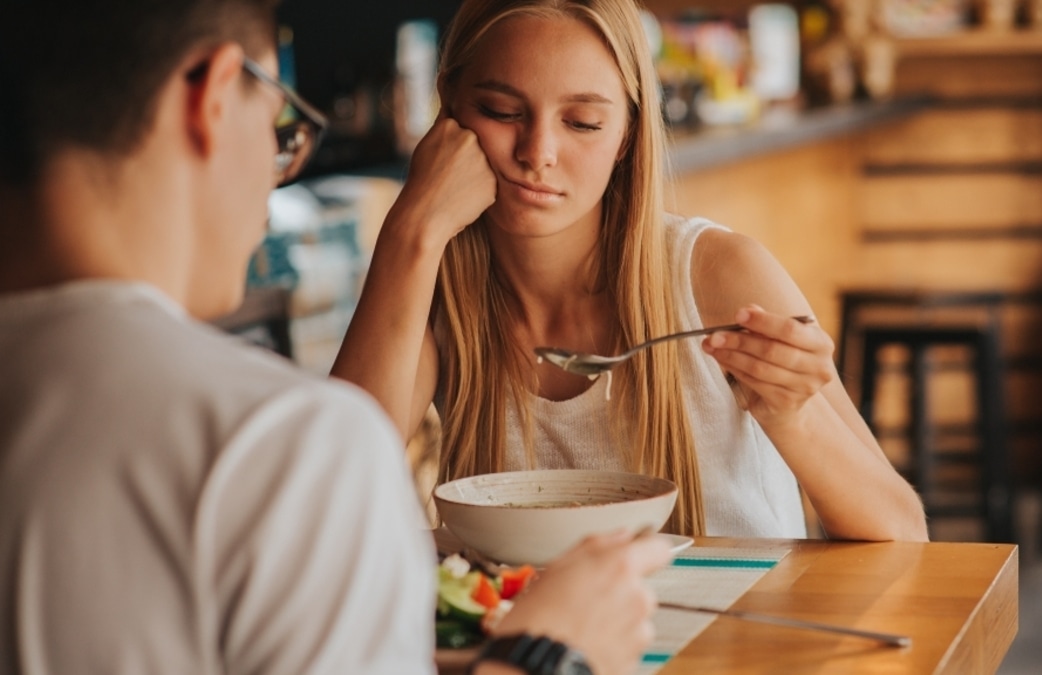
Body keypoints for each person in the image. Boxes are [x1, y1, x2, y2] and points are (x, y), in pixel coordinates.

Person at [0, 1, 671, 674]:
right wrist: (548, 652)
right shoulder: (278, 443)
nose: (274, 169)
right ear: (212, 95)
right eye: (279, 121)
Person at [332, 0, 929, 542]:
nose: (538, 151)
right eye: (501, 110)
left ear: (625, 136)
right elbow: (326, 495)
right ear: (449, 109)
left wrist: (793, 414)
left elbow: (902, 534)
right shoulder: (436, 293)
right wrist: (411, 229)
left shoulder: (718, 276)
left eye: (583, 123)